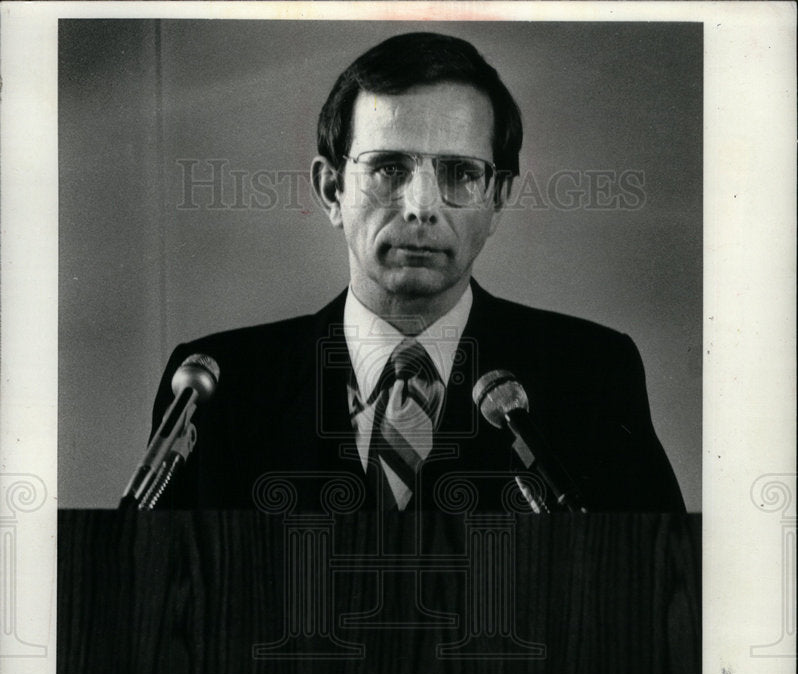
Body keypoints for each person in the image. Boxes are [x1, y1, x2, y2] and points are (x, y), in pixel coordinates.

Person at [150, 31, 685, 513]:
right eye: (389, 168)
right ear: (331, 190)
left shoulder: (591, 376)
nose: (421, 206)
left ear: (497, 198)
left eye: (459, 173)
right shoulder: (216, 388)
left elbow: (656, 600)